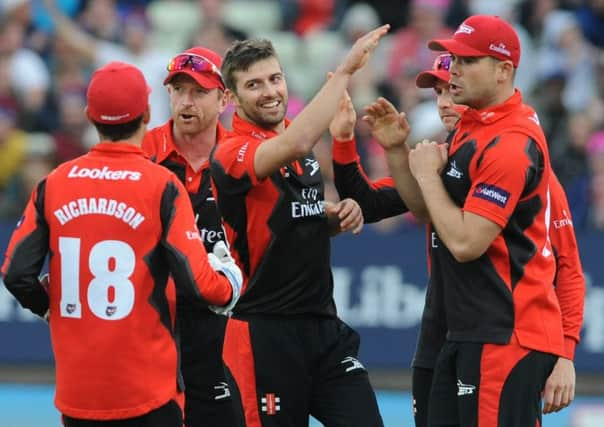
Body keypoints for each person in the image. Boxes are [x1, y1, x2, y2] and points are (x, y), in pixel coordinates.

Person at [332, 49, 584, 425]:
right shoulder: (444, 162)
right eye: (438, 93)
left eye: (452, 90)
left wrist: (565, 355)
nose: (445, 103)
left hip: (499, 336)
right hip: (443, 333)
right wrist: (346, 139)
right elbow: (369, 202)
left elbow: (568, 266)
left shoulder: (521, 162)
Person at [0, 61, 243, 427]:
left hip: (77, 396)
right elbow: (199, 285)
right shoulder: (161, 185)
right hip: (148, 393)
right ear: (147, 113)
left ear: (89, 116)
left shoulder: (54, 183)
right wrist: (230, 281)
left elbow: (16, 274)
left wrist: (46, 306)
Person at [210, 25, 390, 427]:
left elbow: (285, 212)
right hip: (264, 334)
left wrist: (333, 216)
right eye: (254, 85)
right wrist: (345, 69)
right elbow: (295, 146)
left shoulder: (291, 135)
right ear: (231, 98)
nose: (270, 91)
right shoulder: (231, 152)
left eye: (275, 78)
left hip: (323, 328)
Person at [142, 46, 241, 427]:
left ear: (224, 99)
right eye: (178, 90)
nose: (186, 101)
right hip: (153, 324)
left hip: (221, 326)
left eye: (199, 92)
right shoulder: (141, 152)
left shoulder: (242, 158)